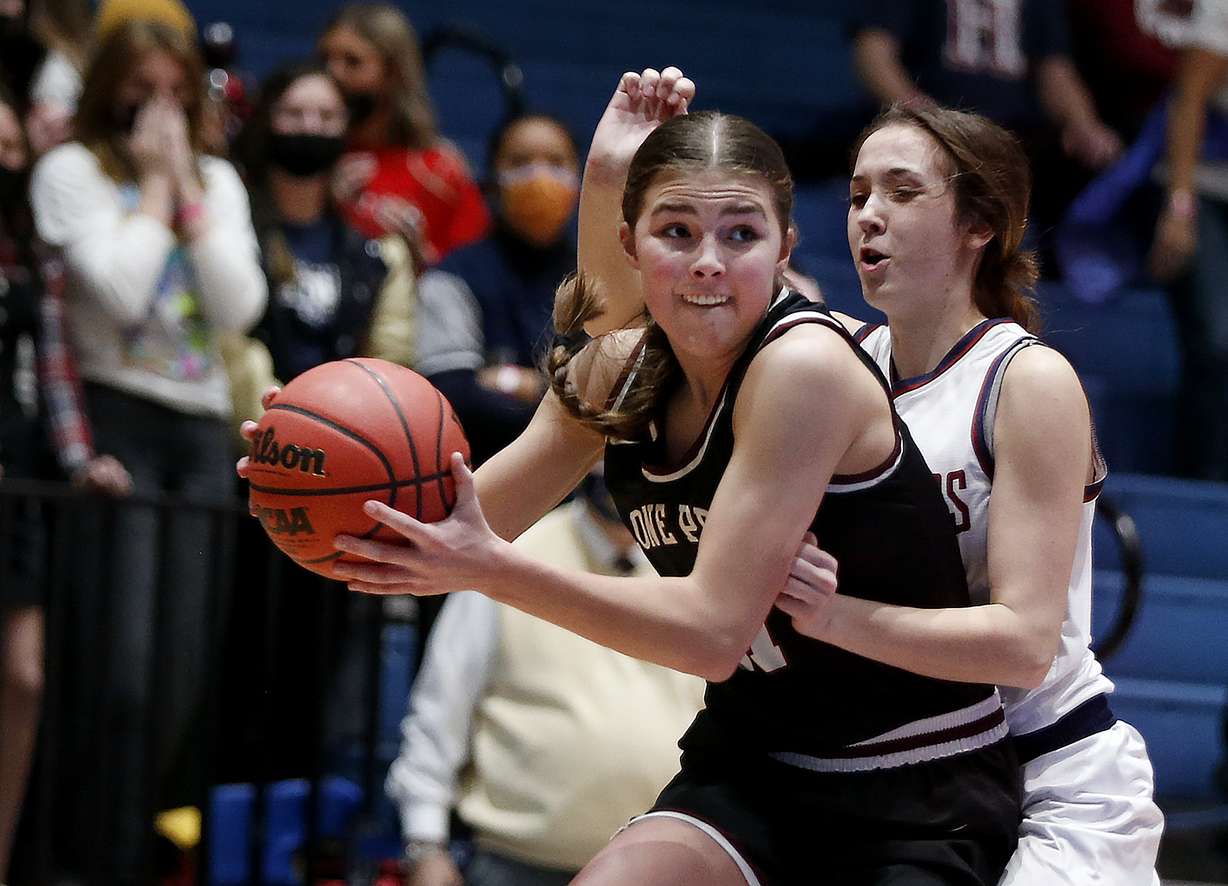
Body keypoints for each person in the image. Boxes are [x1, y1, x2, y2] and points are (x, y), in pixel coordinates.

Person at [242, 68, 1024, 885]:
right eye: (676, 232)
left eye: (741, 235)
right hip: (754, 763)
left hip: (912, 786)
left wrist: (492, 569)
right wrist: (304, 471)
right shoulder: (614, 374)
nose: (707, 264)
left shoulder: (805, 368)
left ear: (787, 249)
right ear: (632, 245)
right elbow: (442, 535)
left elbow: (711, 634)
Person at [773, 104, 1163, 884]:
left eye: (901, 192)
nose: (867, 217)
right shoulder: (835, 363)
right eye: (856, 196)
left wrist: (829, 617)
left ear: (978, 222)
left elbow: (1020, 648)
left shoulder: (1027, 380)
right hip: (903, 771)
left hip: (1050, 777)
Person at [30, 19, 265, 880]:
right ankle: (72, 858)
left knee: (178, 675)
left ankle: (127, 857)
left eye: (179, 91)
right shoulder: (71, 172)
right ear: (111, 92)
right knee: (118, 670)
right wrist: (160, 193)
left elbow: (238, 307)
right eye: (144, 90)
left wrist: (190, 195)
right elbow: (123, 291)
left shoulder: (223, 184)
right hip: (115, 413)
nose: (162, 110)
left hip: (200, 427)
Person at [387, 471, 705, 886]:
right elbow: (441, 704)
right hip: (519, 863)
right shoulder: (507, 555)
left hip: (671, 863)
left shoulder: (702, 568)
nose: (614, 462)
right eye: (606, 443)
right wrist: (425, 844)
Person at [234, 59, 414, 386]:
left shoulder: (373, 251)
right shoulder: (233, 228)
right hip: (251, 415)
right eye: (294, 114)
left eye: (327, 117)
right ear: (267, 121)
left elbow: (389, 364)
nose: (311, 127)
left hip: (340, 415)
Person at [415, 111, 580, 466]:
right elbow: (453, 396)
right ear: (491, 181)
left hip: (585, 493)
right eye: (520, 162)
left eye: (556, 162)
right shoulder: (452, 275)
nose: (539, 177)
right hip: (482, 475)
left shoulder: (599, 277)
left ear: (579, 179)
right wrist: (556, 394)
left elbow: (619, 401)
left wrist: (518, 384)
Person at [318, 2, 488, 263]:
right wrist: (325, 205)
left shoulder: (441, 172)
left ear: (393, 72)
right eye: (325, 59)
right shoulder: (308, 154)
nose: (332, 73)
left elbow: (470, 278)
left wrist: (419, 254)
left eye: (352, 62)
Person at [1145, 0, 1228, 481]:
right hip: (1209, 189)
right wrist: (1180, 207)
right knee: (1217, 341)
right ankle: (1208, 488)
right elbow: (1190, 97)